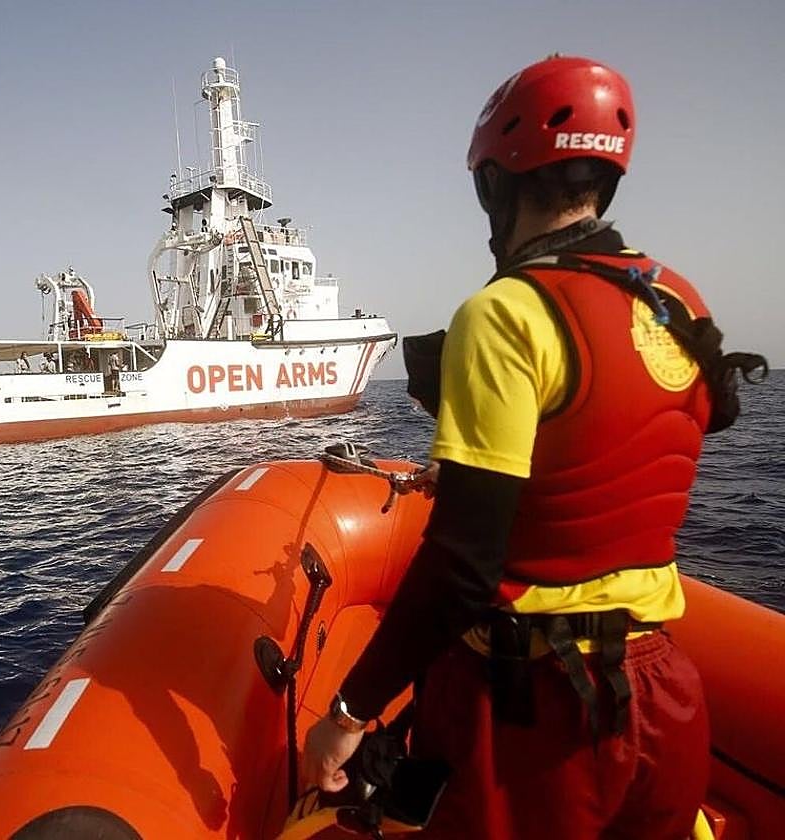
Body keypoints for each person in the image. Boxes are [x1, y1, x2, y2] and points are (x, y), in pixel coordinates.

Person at [302, 55, 763, 839]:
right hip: (663, 697)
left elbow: (460, 567)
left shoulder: (505, 314)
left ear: (493, 185)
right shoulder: (678, 300)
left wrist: (348, 711)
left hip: (538, 717)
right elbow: (691, 417)